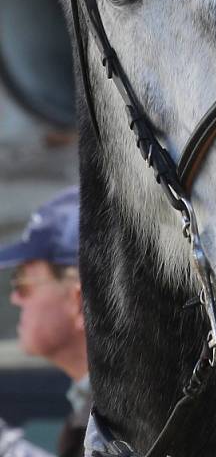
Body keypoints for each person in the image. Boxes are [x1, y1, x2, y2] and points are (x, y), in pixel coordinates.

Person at [0, 188, 90, 457]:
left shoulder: (127, 418)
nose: (15, 298)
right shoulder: (105, 410)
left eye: (23, 282)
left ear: (78, 301)